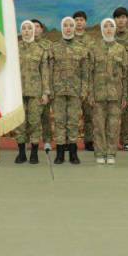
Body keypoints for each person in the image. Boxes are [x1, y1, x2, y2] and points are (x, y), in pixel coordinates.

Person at [88, 18, 126, 165]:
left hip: (115, 94)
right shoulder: (94, 48)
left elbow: (125, 74)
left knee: (113, 126)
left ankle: (111, 153)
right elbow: (89, 72)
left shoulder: (120, 49)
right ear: (102, 29)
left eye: (111, 26)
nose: (108, 29)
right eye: (105, 26)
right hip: (98, 94)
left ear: (115, 29)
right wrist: (90, 93)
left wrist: (125, 95)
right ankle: (100, 153)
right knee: (98, 125)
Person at [50, 16, 88, 165]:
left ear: (74, 28)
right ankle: (59, 153)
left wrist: (84, 90)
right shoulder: (54, 47)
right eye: (65, 25)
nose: (68, 28)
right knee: (59, 121)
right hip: (58, 91)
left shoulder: (81, 48)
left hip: (75, 91)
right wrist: (50, 89)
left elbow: (85, 71)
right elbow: (49, 70)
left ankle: (73, 153)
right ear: (62, 27)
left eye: (70, 25)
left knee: (73, 122)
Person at [15, 19, 50, 164]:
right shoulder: (15, 48)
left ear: (34, 31)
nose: (27, 31)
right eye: (24, 28)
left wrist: (45, 92)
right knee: (20, 123)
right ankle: (21, 153)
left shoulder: (40, 49)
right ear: (21, 31)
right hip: (18, 92)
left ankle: (34, 153)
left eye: (29, 28)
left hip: (35, 92)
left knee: (34, 122)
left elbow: (45, 72)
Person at [112, 7, 128, 152]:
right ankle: (112, 140)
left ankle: (126, 141)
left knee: (127, 110)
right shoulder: (109, 35)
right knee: (111, 110)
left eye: (123, 17)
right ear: (114, 20)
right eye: (118, 17)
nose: (121, 20)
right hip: (112, 78)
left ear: (127, 19)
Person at [72, 10, 93, 152]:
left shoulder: (91, 41)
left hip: (88, 81)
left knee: (89, 114)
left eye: (81, 20)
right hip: (71, 82)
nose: (79, 22)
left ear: (85, 22)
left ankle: (89, 141)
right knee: (72, 115)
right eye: (76, 20)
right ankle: (71, 142)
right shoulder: (68, 38)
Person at [31, 19, 54, 150]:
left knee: (45, 115)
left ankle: (47, 141)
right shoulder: (24, 44)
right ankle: (31, 140)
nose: (35, 29)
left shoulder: (48, 45)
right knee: (30, 116)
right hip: (30, 86)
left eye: (37, 26)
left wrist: (48, 87)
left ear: (42, 29)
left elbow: (52, 65)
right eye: (32, 27)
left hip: (45, 84)